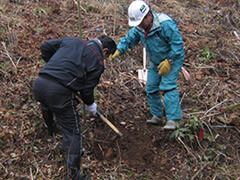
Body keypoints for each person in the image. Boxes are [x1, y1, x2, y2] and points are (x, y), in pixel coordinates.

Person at [32, 35, 116, 180]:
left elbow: (45, 46)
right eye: (107, 56)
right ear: (105, 51)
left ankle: (50, 128)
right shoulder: (97, 61)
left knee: (47, 104)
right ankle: (73, 175)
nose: (105, 59)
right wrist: (91, 105)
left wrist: (53, 66)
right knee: (73, 131)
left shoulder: (72, 40)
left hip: (40, 83)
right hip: (59, 92)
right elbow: (87, 89)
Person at [110, 0, 185, 130]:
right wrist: (119, 50)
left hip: (171, 59)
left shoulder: (165, 24)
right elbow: (129, 40)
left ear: (148, 15)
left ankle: (173, 119)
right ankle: (157, 116)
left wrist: (169, 61)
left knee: (168, 86)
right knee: (151, 87)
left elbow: (177, 45)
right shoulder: (139, 28)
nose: (139, 25)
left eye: (140, 22)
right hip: (156, 60)